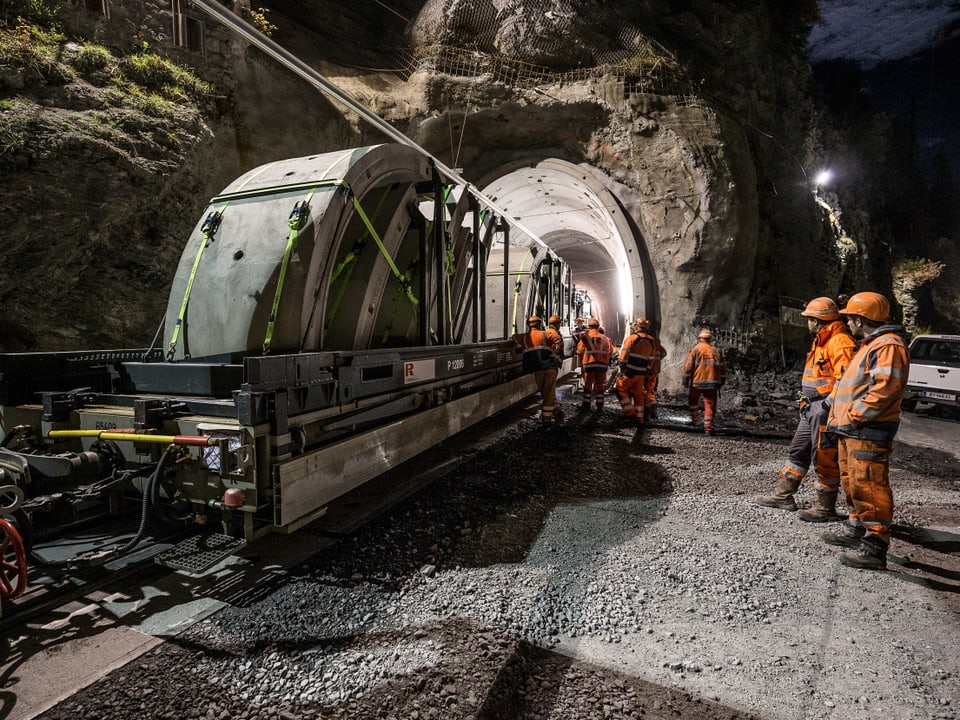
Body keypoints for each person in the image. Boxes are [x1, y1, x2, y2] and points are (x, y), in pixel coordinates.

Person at [821, 292, 910, 570]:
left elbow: (886, 388)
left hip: (867, 428)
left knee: (869, 485)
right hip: (852, 428)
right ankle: (857, 529)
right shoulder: (870, 345)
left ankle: (875, 546)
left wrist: (856, 415)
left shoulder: (888, 346)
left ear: (860, 319)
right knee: (853, 481)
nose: (847, 322)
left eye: (850, 317)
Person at [756, 297, 855, 520]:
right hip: (812, 408)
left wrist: (827, 404)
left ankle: (825, 507)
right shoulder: (821, 340)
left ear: (817, 320)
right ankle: (783, 495)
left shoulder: (839, 341)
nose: (806, 323)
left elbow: (846, 378)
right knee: (798, 449)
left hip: (825, 410)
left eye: (808, 319)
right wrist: (804, 401)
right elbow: (814, 378)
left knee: (824, 456)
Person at [513, 315, 563, 424]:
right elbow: (558, 341)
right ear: (540, 324)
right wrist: (555, 354)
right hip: (550, 367)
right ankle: (547, 419)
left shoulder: (525, 337)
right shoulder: (545, 334)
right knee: (549, 392)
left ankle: (556, 410)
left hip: (537, 369)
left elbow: (514, 337)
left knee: (544, 391)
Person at [615, 318, 660, 425]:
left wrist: (622, 367)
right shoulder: (651, 340)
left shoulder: (632, 338)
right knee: (638, 394)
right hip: (641, 373)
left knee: (620, 389)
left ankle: (629, 413)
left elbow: (624, 355)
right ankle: (639, 418)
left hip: (630, 371)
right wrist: (646, 370)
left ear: (636, 327)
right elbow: (652, 358)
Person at [681, 328, 726, 435]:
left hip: (697, 382)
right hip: (712, 383)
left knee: (693, 400)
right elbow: (723, 368)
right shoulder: (716, 351)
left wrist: (685, 379)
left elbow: (688, 366)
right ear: (710, 339)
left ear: (700, 338)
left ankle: (696, 420)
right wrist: (722, 380)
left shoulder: (696, 349)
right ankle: (708, 428)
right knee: (710, 405)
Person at [576, 318, 614, 412]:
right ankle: (600, 406)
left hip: (589, 363)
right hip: (602, 365)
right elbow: (610, 352)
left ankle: (586, 406)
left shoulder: (585, 337)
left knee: (588, 384)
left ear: (589, 327)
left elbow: (579, 351)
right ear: (598, 327)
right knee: (599, 385)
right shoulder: (606, 339)